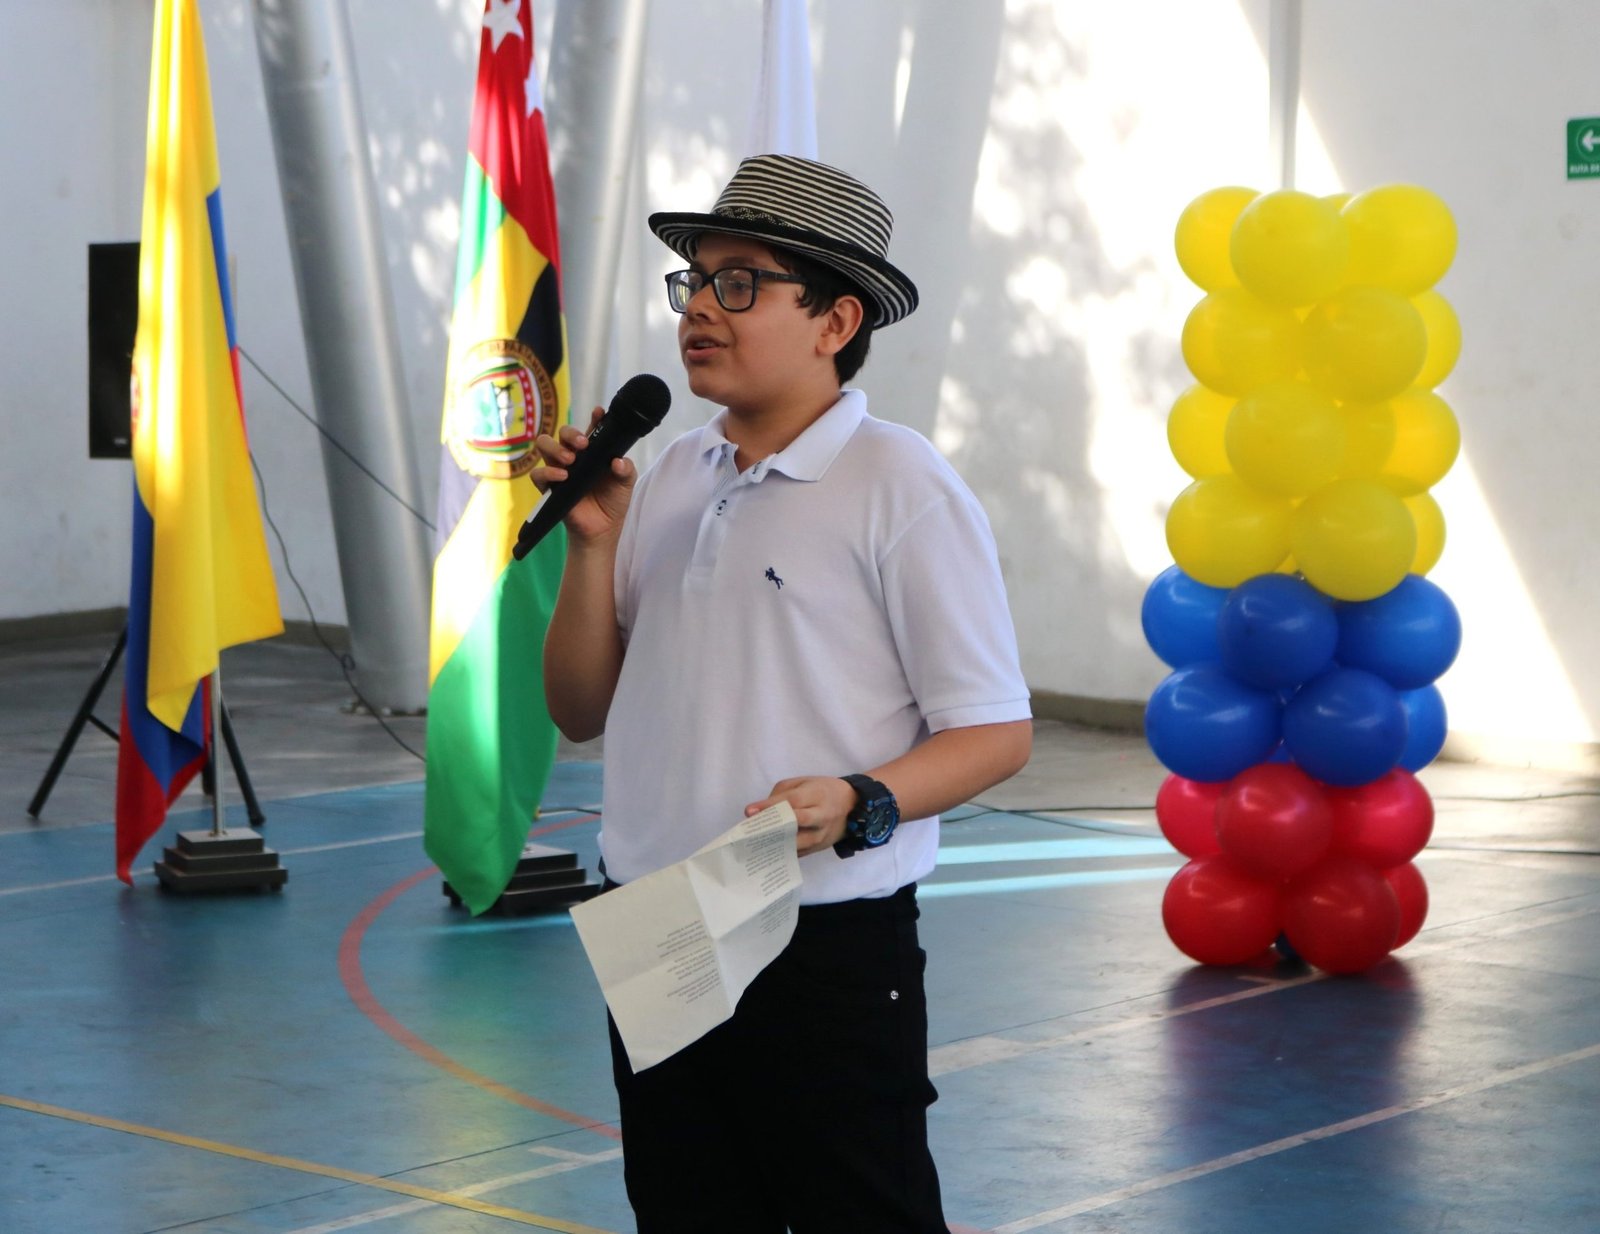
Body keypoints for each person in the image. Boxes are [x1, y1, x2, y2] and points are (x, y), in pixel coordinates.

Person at [538, 153, 1033, 1233]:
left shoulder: (901, 485)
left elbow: (995, 731)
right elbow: (577, 709)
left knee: (862, 1211)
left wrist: (863, 797)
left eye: (740, 283)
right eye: (695, 281)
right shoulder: (670, 473)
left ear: (834, 320)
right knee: (686, 1209)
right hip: (662, 919)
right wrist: (592, 546)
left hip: (819, 937)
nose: (699, 308)